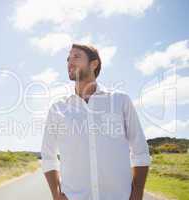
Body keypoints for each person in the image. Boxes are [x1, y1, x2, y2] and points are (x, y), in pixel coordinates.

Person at [41, 43, 151, 200]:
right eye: (68, 58)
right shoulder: (57, 108)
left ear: (94, 64)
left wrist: (138, 192)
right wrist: (56, 195)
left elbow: (140, 151)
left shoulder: (120, 101)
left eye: (76, 57)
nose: (69, 62)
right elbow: (48, 156)